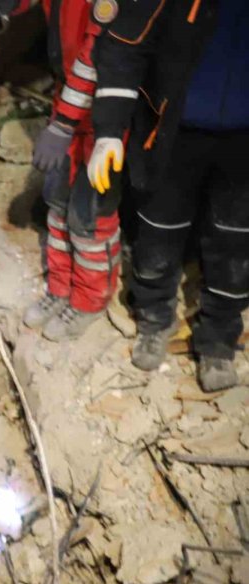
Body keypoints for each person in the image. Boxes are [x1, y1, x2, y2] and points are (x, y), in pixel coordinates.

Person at [86, 0, 249, 391]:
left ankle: (219, 340)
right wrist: (109, 128)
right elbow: (125, 42)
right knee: (159, 228)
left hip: (244, 142)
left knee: (235, 241)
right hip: (174, 131)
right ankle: (154, 319)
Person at [0, 0, 122, 341]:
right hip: (68, 99)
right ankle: (61, 288)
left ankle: (89, 300)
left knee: (90, 215)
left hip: (108, 112)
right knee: (57, 203)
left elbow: (98, 54)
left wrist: (63, 124)